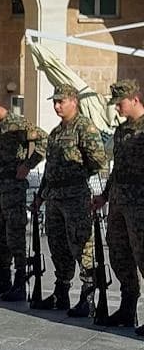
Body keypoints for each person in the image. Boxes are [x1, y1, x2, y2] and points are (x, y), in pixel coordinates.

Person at [31, 85, 107, 315]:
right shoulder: (55, 132)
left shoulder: (84, 127)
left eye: (61, 101)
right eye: (54, 102)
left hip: (75, 197)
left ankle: (89, 296)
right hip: (54, 198)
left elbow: (98, 160)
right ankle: (61, 292)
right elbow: (49, 170)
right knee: (58, 246)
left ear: (74, 101)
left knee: (82, 245)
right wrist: (41, 197)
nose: (56, 106)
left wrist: (77, 175)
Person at [0, 94, 47, 301]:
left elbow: (44, 140)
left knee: (15, 233)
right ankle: (4, 276)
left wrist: (28, 164)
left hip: (13, 186)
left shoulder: (17, 124)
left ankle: (20, 279)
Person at [93, 80, 144, 332]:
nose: (117, 109)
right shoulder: (121, 131)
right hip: (119, 201)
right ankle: (127, 308)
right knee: (119, 253)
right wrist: (104, 195)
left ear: (135, 99)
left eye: (120, 103)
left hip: (140, 203)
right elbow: (117, 169)